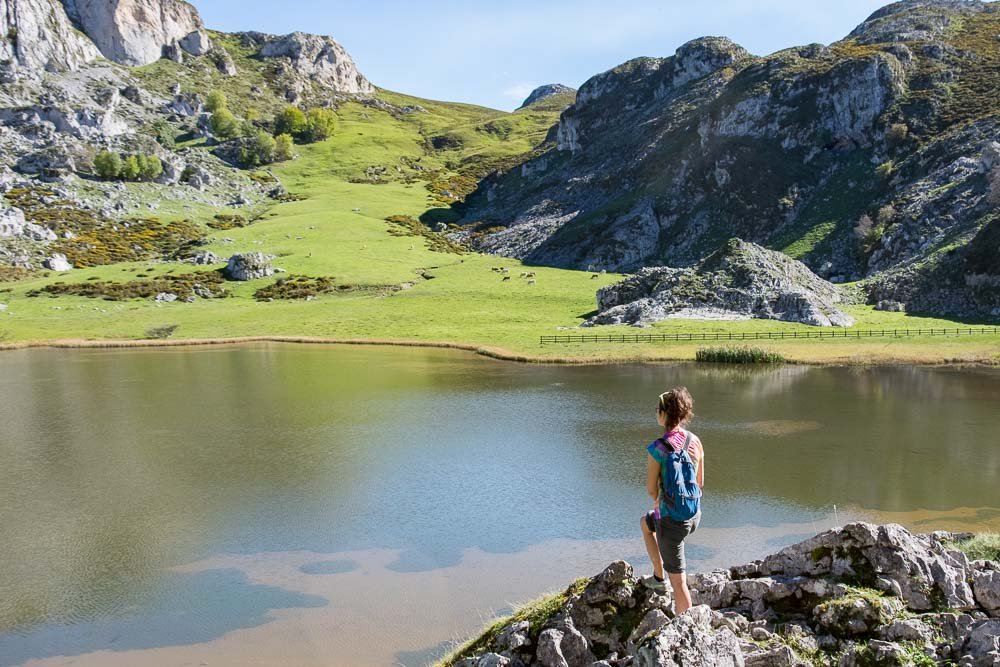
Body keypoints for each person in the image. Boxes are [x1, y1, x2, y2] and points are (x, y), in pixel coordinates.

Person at [639, 386, 704, 614]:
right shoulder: (695, 441)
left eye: (658, 409)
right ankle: (658, 575)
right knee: (646, 523)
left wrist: (660, 500)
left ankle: (686, 628)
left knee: (679, 583)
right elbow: (700, 481)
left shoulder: (657, 448)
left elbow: (650, 490)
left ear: (664, 414)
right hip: (694, 516)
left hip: (671, 522)